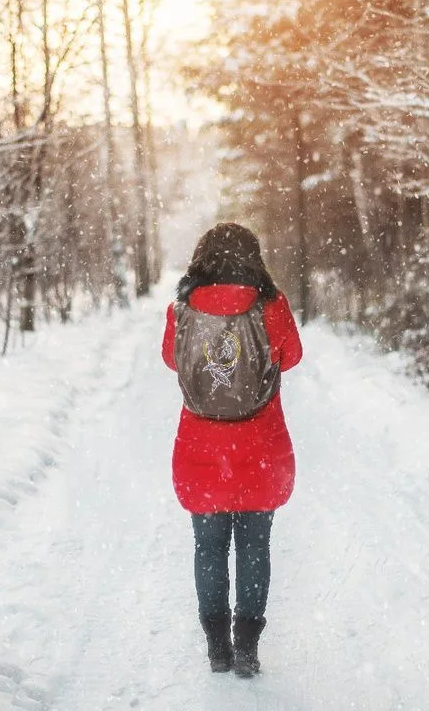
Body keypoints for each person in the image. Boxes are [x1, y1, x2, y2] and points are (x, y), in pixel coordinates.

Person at [161, 222, 303, 678]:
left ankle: (216, 647)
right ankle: (247, 648)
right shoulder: (270, 306)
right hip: (260, 450)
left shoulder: (183, 310)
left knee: (208, 549)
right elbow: (293, 355)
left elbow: (171, 358)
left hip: (201, 452)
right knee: (255, 547)